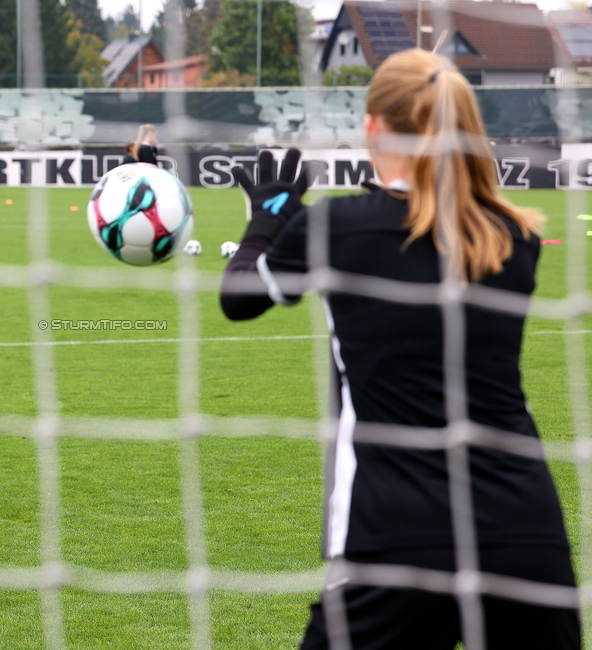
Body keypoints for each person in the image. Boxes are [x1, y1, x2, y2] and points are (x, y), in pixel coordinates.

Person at [220, 49, 578, 649]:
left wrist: (266, 220)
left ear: (373, 125)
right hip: (523, 530)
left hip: (394, 536)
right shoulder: (515, 236)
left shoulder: (338, 228)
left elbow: (240, 297)